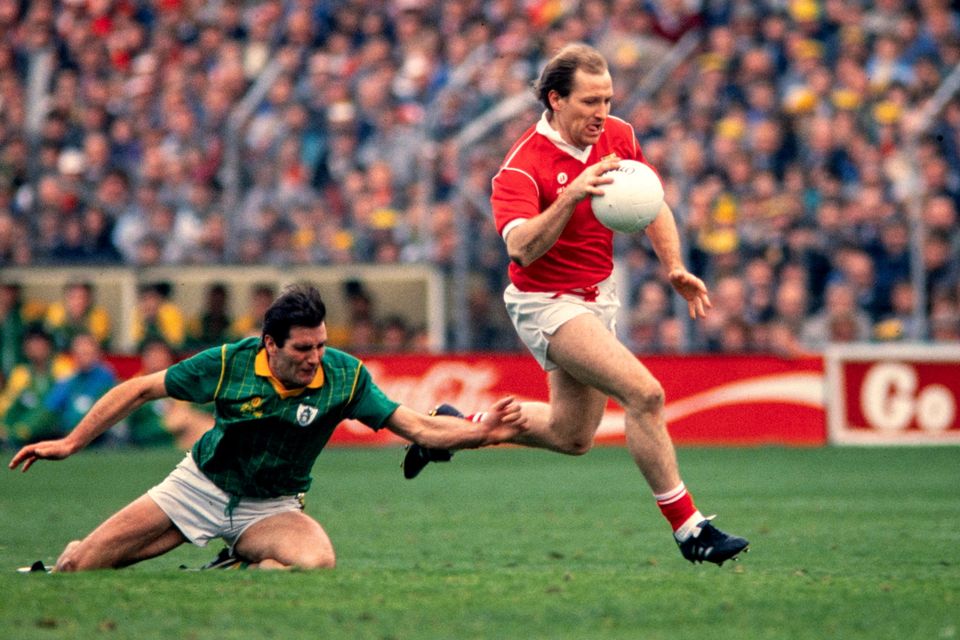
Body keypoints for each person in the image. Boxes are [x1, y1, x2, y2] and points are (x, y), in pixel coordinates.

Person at [404, 43, 747, 566]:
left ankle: (453, 427)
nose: (602, 113)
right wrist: (570, 195)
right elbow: (520, 247)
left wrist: (673, 265)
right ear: (555, 100)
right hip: (546, 303)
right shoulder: (520, 169)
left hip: (596, 296)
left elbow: (650, 202)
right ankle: (690, 530)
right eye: (590, 101)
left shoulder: (619, 135)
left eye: (608, 99)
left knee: (572, 435)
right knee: (646, 394)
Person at [8, 284, 527, 572]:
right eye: (303, 349)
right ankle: (75, 555)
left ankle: (237, 561)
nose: (315, 358)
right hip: (198, 486)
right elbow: (140, 388)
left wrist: (485, 434)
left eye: (321, 345)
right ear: (270, 344)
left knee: (314, 563)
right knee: (81, 570)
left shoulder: (344, 377)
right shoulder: (229, 362)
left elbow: (417, 425)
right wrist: (72, 442)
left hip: (274, 506)